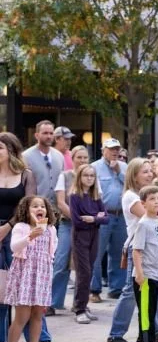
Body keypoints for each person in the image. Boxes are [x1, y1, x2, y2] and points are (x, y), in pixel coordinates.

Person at [106, 158, 158, 342]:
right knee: (130, 290)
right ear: (134, 176)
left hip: (152, 248)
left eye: (150, 171)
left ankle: (154, 330)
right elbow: (148, 216)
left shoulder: (149, 194)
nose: (150, 174)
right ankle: (116, 333)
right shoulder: (130, 196)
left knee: (153, 288)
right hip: (137, 247)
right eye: (145, 172)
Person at [2, 195, 57, 342]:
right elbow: (14, 247)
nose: (40, 209)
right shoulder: (21, 227)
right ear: (26, 210)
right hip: (25, 275)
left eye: (43, 206)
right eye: (35, 206)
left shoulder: (50, 229)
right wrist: (30, 236)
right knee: (22, 315)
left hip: (42, 275)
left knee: (38, 314)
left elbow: (52, 250)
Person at [0, 133, 37, 342]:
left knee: (24, 288)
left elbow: (28, 206)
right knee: (0, 288)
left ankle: (38, 340)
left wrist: (7, 227)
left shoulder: (25, 175)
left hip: (18, 232)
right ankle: (1, 340)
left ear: (11, 150)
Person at [131, 184, 158, 342]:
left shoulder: (157, 223)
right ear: (143, 203)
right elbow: (136, 251)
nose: (157, 202)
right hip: (145, 276)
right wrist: (140, 274)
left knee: (151, 311)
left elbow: (155, 247)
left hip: (156, 274)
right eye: (152, 199)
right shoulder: (143, 224)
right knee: (147, 314)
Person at [50, 144, 90, 313]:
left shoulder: (91, 176)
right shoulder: (64, 176)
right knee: (61, 262)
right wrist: (77, 218)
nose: (82, 160)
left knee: (84, 266)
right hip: (68, 225)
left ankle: (80, 304)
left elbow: (97, 199)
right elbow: (60, 202)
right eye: (79, 157)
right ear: (72, 159)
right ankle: (52, 302)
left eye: (85, 157)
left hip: (87, 227)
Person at [68, 164, 108, 324]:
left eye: (92, 176)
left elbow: (106, 218)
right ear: (79, 177)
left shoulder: (95, 196)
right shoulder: (74, 196)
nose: (89, 178)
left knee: (89, 271)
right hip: (80, 237)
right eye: (86, 175)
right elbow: (77, 221)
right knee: (83, 273)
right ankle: (79, 309)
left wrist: (93, 218)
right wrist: (96, 218)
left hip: (94, 236)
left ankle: (83, 306)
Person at [89, 138, 128, 301]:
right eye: (111, 149)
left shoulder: (125, 166)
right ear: (103, 150)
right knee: (97, 253)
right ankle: (94, 289)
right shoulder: (94, 167)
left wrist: (118, 171)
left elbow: (130, 186)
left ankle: (116, 288)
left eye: (117, 149)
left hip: (122, 215)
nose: (115, 152)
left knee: (119, 253)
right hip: (103, 214)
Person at [22, 120, 64, 201]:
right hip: (35, 205)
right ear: (37, 135)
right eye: (45, 133)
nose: (49, 136)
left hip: (56, 206)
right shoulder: (26, 157)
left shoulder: (59, 156)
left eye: (51, 133)